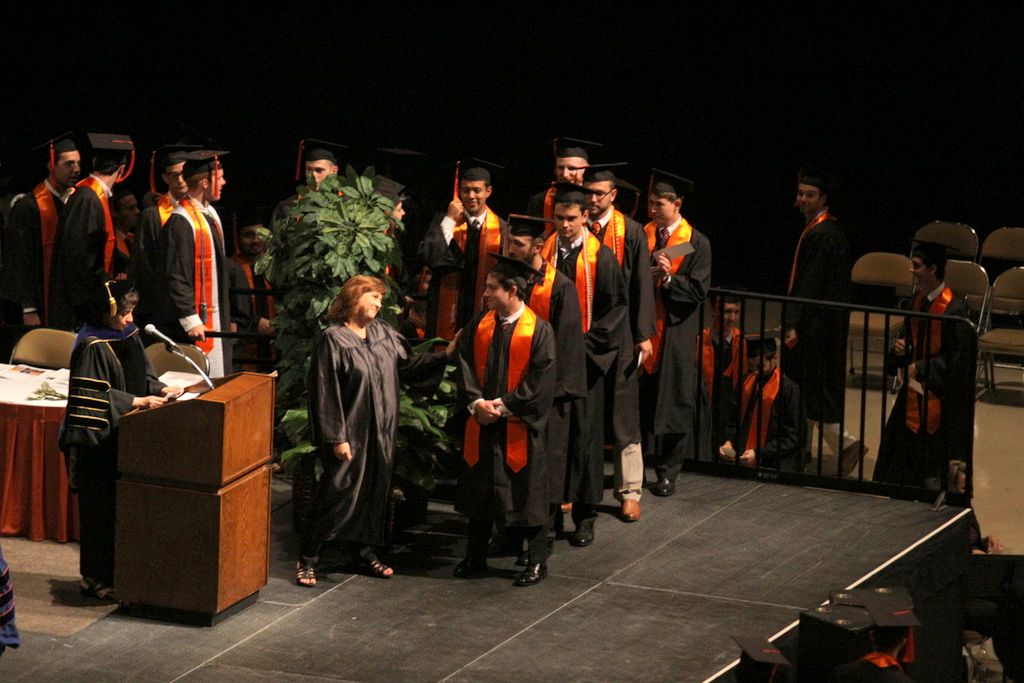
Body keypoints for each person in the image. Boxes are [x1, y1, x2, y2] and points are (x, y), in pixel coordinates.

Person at [299, 275, 454, 586]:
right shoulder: (333, 340)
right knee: (337, 493)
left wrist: (445, 355)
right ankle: (308, 557)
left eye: (381, 299)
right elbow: (325, 390)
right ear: (355, 297)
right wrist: (336, 437)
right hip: (351, 433)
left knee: (375, 493)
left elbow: (408, 366)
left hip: (382, 431)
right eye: (374, 297)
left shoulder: (384, 333)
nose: (380, 304)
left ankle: (364, 552)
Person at [59, 280, 183, 600]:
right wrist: (136, 402)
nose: (129, 319)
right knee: (100, 511)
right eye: (123, 313)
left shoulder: (128, 334)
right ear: (105, 312)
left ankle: (122, 573)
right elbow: (91, 397)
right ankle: (94, 577)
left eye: (131, 312)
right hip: (99, 444)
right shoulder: (91, 344)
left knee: (123, 511)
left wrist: (160, 389)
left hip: (129, 438)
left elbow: (143, 374)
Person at [453, 255, 556, 586]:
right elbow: (464, 365)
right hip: (482, 423)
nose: (485, 294)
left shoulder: (539, 330)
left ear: (512, 291)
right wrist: (476, 403)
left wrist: (503, 406)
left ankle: (537, 561)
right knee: (481, 493)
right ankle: (475, 556)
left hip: (518, 427)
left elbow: (541, 381)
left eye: (491, 288)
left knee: (528, 496)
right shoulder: (479, 324)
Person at [540, 183, 627, 546]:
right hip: (549, 365)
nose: (564, 225)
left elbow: (615, 311)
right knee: (552, 442)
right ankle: (548, 516)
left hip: (586, 365)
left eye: (571, 218)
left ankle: (585, 516)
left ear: (585, 217)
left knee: (585, 440)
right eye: (559, 218)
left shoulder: (601, 259)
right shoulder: (544, 254)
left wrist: (581, 350)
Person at [505, 214, 586, 544]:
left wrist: (548, 389)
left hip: (549, 392)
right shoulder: (510, 281)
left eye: (518, 244)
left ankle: (545, 531)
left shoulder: (559, 286)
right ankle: (511, 530)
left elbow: (567, 345)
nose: (511, 249)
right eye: (510, 242)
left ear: (538, 247)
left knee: (546, 462)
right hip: (514, 388)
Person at [583, 165, 656, 520]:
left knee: (624, 414)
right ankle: (578, 488)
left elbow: (642, 282)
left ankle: (629, 491)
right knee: (585, 413)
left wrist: (643, 335)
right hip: (584, 334)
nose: (592, 199)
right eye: (589, 193)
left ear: (613, 195)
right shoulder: (576, 228)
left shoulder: (630, 231)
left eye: (599, 193)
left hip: (622, 333)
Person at [872, 242, 972, 489]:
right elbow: (908, 337)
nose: (912, 271)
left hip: (940, 398)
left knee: (935, 468)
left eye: (916, 266)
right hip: (913, 392)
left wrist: (923, 368)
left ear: (933, 269)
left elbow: (958, 361)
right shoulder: (915, 301)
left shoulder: (955, 310)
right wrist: (902, 349)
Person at [783, 165, 863, 471]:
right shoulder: (820, 229)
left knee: (811, 387)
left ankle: (846, 444)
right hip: (819, 323)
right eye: (801, 193)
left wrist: (793, 323)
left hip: (815, 327)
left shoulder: (824, 234)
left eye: (810, 195)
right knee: (804, 388)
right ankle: (801, 449)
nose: (803, 199)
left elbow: (809, 283)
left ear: (823, 199)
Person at [639, 170, 712, 497]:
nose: (653, 209)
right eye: (651, 203)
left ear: (677, 204)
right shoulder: (641, 234)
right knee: (640, 403)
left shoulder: (694, 242)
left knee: (674, 403)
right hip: (643, 331)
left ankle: (667, 473)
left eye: (660, 204)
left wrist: (668, 280)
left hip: (674, 334)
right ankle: (636, 469)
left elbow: (698, 290)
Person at [157, 149, 233, 376]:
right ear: (204, 183)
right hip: (193, 325)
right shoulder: (182, 221)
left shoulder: (210, 215)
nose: (224, 182)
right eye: (220, 178)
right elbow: (176, 275)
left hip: (215, 315)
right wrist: (191, 320)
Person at [49, 133, 134, 330]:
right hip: (79, 308)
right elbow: (81, 259)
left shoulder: (88, 195)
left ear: (95, 162)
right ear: (122, 170)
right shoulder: (88, 199)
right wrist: (110, 286)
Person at [417, 163, 506, 340]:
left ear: (488, 192)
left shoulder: (502, 230)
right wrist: (450, 218)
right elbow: (428, 256)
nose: (471, 196)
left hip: (483, 308)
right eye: (465, 190)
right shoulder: (444, 222)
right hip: (446, 309)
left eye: (477, 190)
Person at [1, 133, 80, 327]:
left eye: (78, 163)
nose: (76, 169)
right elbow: (18, 260)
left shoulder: (77, 201)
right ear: (51, 165)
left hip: (68, 302)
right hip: (39, 301)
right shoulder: (28, 206)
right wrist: (28, 308)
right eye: (69, 164)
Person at [129, 144, 196, 329]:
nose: (181, 180)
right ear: (165, 177)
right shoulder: (152, 216)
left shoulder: (202, 213)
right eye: (174, 175)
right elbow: (143, 265)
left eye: (184, 174)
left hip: (196, 302)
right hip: (163, 309)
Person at [718, 337, 803, 470]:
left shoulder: (788, 389)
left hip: (773, 462)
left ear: (774, 357)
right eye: (751, 366)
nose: (755, 371)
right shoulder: (745, 382)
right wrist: (729, 442)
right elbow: (732, 419)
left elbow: (793, 436)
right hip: (742, 457)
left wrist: (760, 453)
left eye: (760, 366)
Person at [699, 290, 746, 457]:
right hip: (705, 415)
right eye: (727, 312)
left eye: (736, 312)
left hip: (731, 419)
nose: (732, 318)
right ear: (714, 311)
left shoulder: (743, 343)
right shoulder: (700, 342)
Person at [228, 212, 275, 372]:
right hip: (244, 343)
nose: (255, 240)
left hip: (274, 340)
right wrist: (255, 322)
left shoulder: (275, 265)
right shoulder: (230, 269)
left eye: (260, 234)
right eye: (248, 235)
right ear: (237, 238)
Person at [270, 139, 343, 228]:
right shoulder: (287, 206)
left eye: (319, 170)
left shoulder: (348, 204)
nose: (313, 176)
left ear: (334, 171)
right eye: (309, 170)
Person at [526, 138, 598, 220]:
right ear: (555, 169)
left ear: (586, 169)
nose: (565, 174)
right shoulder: (539, 201)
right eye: (560, 168)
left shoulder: (595, 199)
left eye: (572, 168)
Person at [111, 185, 139, 271]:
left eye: (136, 206)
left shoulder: (134, 238)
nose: (137, 211)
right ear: (115, 212)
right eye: (130, 208)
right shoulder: (112, 243)